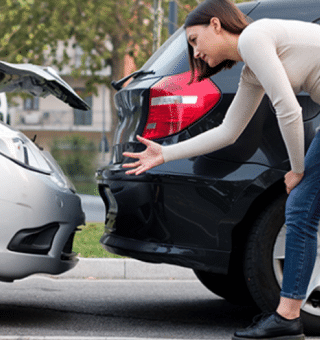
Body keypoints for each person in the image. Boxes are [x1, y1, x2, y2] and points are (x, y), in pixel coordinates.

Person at [122, 0, 320, 339]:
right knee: (303, 208)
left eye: (195, 40)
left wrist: (297, 171)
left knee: (301, 207)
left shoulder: (255, 37)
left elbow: (287, 109)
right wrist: (165, 154)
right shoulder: (252, 67)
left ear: (216, 24)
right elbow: (228, 132)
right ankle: (286, 317)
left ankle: (287, 318)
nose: (195, 52)